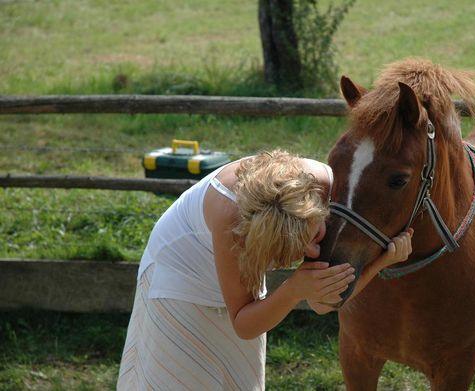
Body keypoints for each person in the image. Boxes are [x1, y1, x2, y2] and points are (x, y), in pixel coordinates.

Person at [117, 149, 413, 390]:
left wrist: (380, 262)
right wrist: (292, 291)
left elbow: (325, 302)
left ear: (316, 205)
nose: (313, 253)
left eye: (317, 238)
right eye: (298, 252)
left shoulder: (328, 186)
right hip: (183, 280)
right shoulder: (233, 221)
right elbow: (244, 324)